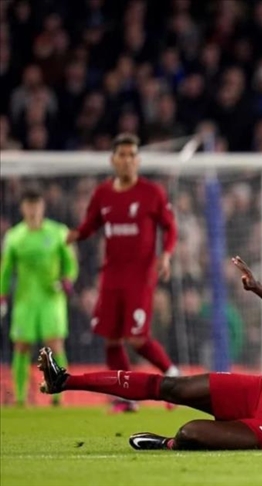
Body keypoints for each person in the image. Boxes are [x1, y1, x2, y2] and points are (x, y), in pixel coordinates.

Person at [37, 256, 262, 452]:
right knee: (173, 387)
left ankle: (168, 444)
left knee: (189, 433)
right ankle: (64, 381)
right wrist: (257, 288)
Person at [66, 133, 179, 413]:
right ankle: (126, 398)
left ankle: (174, 377)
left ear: (138, 160)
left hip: (140, 277)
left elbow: (170, 227)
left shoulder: (151, 192)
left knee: (137, 338)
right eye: (122, 155)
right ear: (113, 160)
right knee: (112, 338)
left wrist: (166, 255)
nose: (127, 160)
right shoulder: (102, 194)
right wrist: (75, 235)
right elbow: (91, 225)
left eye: (132, 155)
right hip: (111, 276)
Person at [0, 189, 78, 407]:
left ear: (42, 207)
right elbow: (6, 270)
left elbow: (70, 263)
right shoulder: (14, 236)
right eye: (29, 206)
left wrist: (67, 280)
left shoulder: (58, 232)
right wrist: (2, 295)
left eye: (36, 205)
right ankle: (20, 398)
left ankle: (59, 396)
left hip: (51, 299)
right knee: (21, 346)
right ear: (22, 208)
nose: (33, 210)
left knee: (55, 345)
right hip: (25, 300)